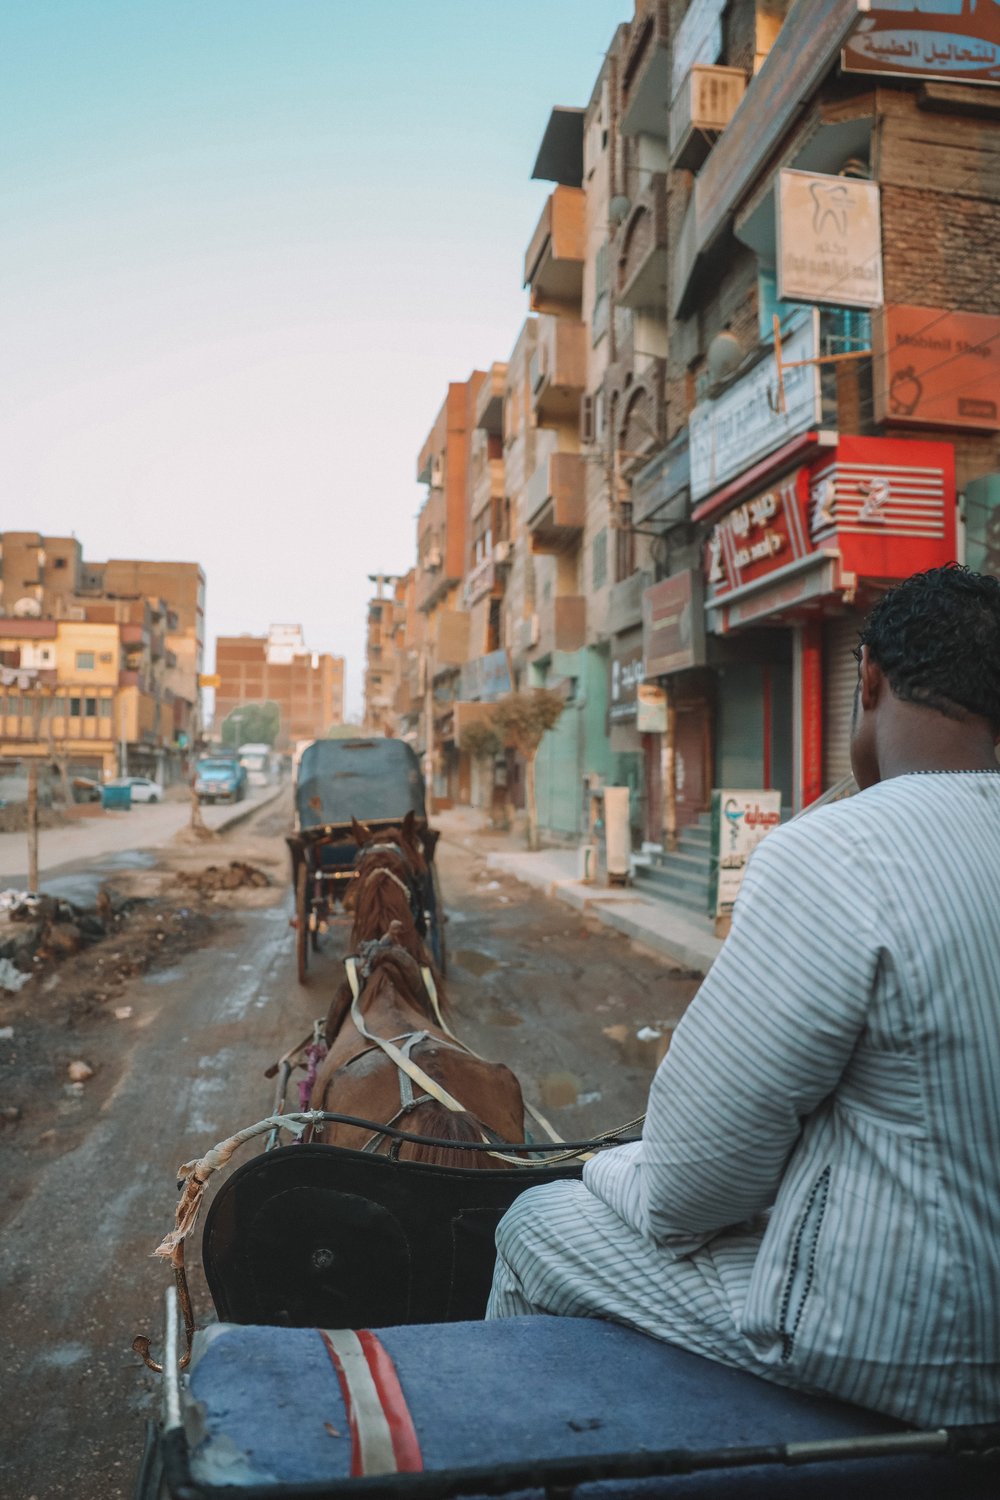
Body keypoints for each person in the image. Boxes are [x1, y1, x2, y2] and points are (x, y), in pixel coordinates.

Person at [487, 565, 1000, 1428]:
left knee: (537, 1222)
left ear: (865, 680)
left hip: (908, 1343)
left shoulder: (835, 852)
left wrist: (605, 1164)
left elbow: (691, 1190)